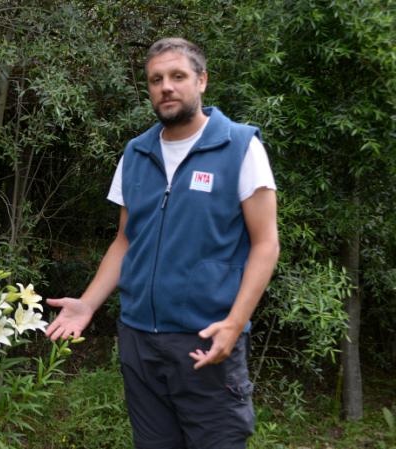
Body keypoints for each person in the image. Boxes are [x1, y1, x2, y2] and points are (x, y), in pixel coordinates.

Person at [45, 37, 279, 449]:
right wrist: (87, 304)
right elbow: (125, 240)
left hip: (206, 341)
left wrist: (235, 323)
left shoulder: (240, 146)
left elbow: (266, 244)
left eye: (178, 76)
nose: (166, 87)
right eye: (156, 80)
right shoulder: (136, 153)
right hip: (139, 342)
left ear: (202, 81)